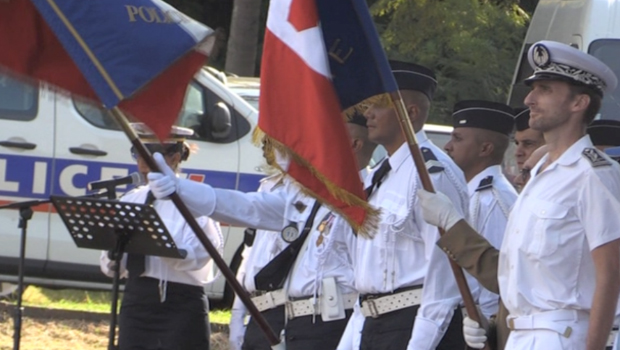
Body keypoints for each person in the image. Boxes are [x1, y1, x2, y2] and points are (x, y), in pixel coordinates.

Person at [418, 40, 620, 350]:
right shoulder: (540, 171)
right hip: (521, 335)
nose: (529, 99)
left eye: (545, 90)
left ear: (578, 103)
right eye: (533, 89)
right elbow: (522, 274)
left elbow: (611, 274)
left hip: (564, 337)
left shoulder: (593, 174)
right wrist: (494, 326)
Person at [147, 119, 377, 350]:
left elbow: (368, 281)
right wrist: (181, 189)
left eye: (329, 139)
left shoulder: (371, 196)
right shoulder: (306, 193)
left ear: (354, 144)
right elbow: (247, 207)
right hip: (283, 321)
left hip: (330, 325)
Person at [347, 60, 469, 350]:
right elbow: (367, 276)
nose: (367, 114)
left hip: (412, 326)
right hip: (374, 322)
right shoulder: (382, 176)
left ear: (410, 113)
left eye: (378, 105)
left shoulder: (431, 174)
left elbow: (444, 280)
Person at [99, 123, 223, 350]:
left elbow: (199, 258)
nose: (142, 162)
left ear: (174, 158)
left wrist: (155, 240)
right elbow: (110, 268)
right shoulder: (131, 200)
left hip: (180, 305)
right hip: (137, 301)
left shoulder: (194, 201)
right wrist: (113, 251)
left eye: (149, 154)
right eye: (137, 153)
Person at [443, 100, 517, 319]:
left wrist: (487, 329)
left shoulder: (492, 198)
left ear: (485, 148)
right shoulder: (472, 193)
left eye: (458, 139)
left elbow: (496, 277)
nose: (448, 146)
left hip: (479, 321)